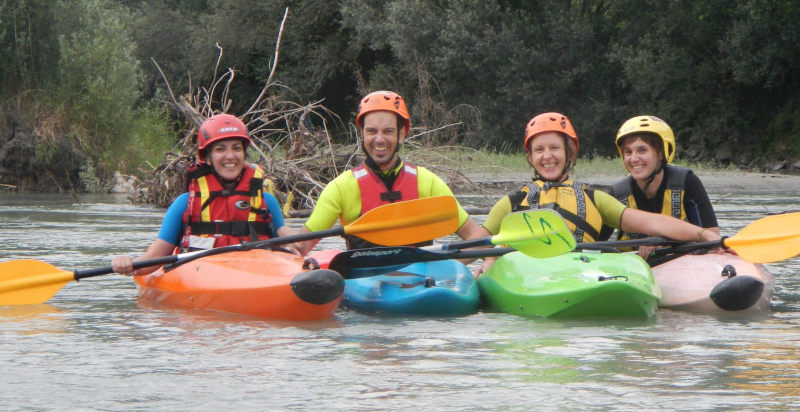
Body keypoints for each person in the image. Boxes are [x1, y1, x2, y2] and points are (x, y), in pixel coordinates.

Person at [475, 112, 721, 276]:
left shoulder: (595, 198)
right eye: (539, 150)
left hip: (578, 275)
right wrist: (487, 262)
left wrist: (704, 235)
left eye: (554, 148)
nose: (547, 156)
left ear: (569, 153)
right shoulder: (511, 202)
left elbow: (653, 222)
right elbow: (472, 247)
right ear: (530, 157)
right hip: (525, 275)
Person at [293, 90, 484, 255]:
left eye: (388, 131)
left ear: (401, 135)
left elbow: (475, 236)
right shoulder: (341, 188)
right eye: (372, 131)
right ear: (363, 134)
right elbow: (300, 246)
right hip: (365, 286)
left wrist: (474, 263)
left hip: (420, 285)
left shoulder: (427, 183)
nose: (379, 139)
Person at [111, 113, 297, 275]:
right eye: (220, 149)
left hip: (254, 272)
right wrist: (129, 264)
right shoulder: (184, 204)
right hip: (201, 274)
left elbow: (284, 235)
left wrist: (291, 242)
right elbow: (155, 257)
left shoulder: (266, 202)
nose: (230, 156)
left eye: (236, 148)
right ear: (207, 157)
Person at [610, 115, 719, 259]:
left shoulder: (687, 182)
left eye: (642, 150)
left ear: (661, 153)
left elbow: (713, 237)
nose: (634, 159)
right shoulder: (617, 193)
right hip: (634, 269)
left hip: (684, 263)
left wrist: (662, 242)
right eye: (628, 152)